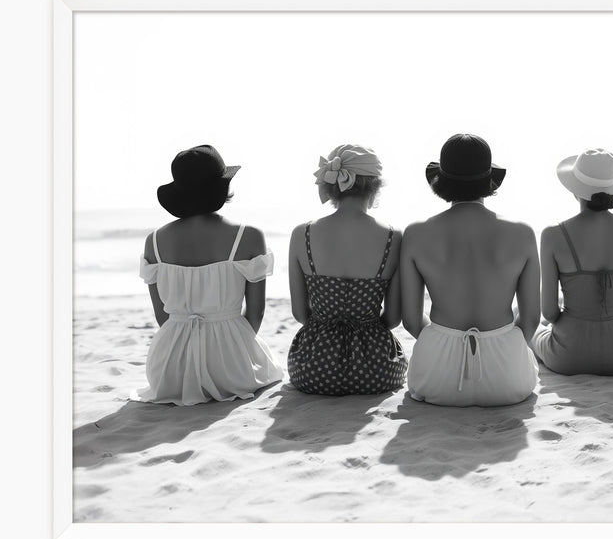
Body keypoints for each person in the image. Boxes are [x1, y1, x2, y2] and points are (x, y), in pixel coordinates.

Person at [131, 144, 283, 405]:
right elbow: (255, 313)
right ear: (221, 189)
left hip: (169, 369)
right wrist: (232, 348)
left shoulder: (154, 241)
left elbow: (162, 316)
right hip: (230, 365)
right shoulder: (248, 236)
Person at [400, 134, 540, 407]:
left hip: (436, 374)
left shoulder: (416, 234)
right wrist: (499, 345)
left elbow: (412, 321)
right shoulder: (521, 234)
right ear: (489, 180)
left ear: (441, 180)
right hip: (507, 376)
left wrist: (445, 342)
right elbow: (531, 319)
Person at [287, 144, 407, 396]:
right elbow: (393, 319)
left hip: (313, 369)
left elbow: (300, 313)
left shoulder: (303, 234)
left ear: (330, 185)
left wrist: (327, 331)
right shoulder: (393, 237)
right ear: (375, 186)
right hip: (377, 370)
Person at [532, 148, 613, 375]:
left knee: (527, 321)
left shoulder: (553, 234)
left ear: (575, 189)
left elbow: (550, 313)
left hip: (569, 356)